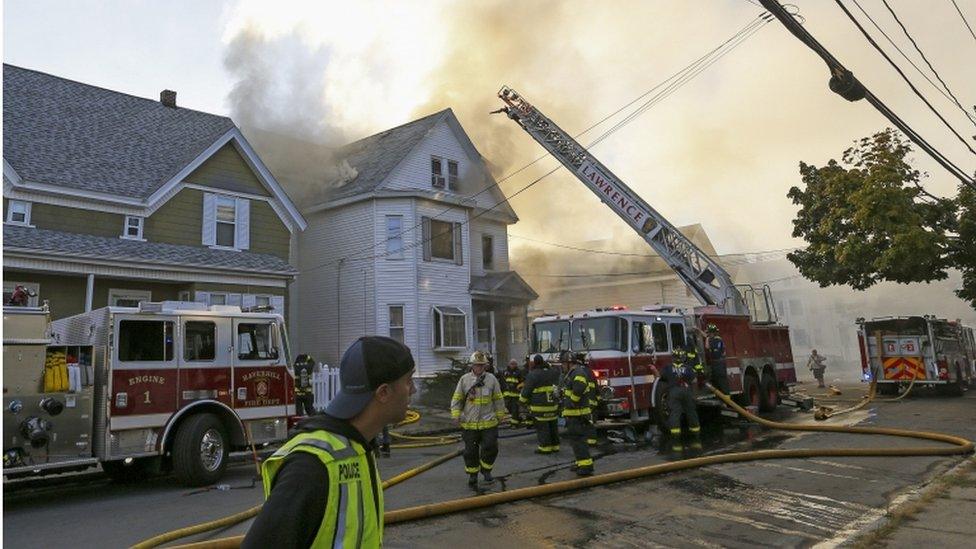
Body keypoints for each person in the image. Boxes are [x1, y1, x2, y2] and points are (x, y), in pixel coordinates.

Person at [243, 336, 415, 549]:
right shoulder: (311, 466)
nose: (413, 390)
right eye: (409, 380)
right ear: (383, 393)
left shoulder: (358, 447)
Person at [451, 351, 506, 486]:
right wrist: (456, 414)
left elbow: (498, 398)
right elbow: (457, 398)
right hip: (470, 424)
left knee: (491, 447)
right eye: (477, 365)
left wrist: (500, 415)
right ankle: (473, 475)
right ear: (472, 366)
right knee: (470, 452)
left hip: (489, 423)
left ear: (485, 366)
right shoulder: (464, 380)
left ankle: (486, 471)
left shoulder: (492, 379)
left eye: (482, 365)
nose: (479, 368)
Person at [559, 351, 594, 476]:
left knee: (579, 440)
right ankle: (580, 462)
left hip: (578, 414)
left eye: (563, 363)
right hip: (573, 414)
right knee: (574, 441)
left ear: (569, 363)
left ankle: (586, 466)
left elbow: (579, 388)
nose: (562, 366)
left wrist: (571, 402)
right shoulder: (571, 373)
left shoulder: (578, 373)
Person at [521, 354, 561, 454]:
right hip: (553, 406)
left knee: (542, 428)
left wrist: (522, 401)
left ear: (535, 363)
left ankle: (545, 448)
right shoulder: (553, 373)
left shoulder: (533, 374)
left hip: (540, 407)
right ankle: (555, 446)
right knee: (553, 427)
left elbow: (526, 390)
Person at [661, 347, 700, 441]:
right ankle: (695, 434)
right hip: (687, 392)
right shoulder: (688, 368)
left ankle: (675, 436)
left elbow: (660, 378)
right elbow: (694, 381)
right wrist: (695, 395)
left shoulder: (667, 368)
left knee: (674, 413)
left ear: (673, 357)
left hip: (673, 392)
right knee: (691, 412)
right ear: (683, 358)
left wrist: (654, 368)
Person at [500, 359, 525, 427]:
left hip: (515, 395)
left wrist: (519, 387)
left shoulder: (519, 372)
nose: (513, 365)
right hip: (507, 395)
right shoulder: (505, 372)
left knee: (515, 409)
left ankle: (514, 424)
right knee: (508, 408)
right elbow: (502, 382)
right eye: (512, 364)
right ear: (509, 364)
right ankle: (518, 418)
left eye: (514, 364)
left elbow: (522, 382)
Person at [705, 324, 729, 394]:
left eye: (708, 332)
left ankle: (727, 402)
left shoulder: (714, 341)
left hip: (718, 364)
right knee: (719, 384)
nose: (708, 334)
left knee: (721, 384)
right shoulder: (718, 339)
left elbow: (707, 347)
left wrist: (707, 338)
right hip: (720, 363)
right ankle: (723, 400)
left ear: (712, 332)